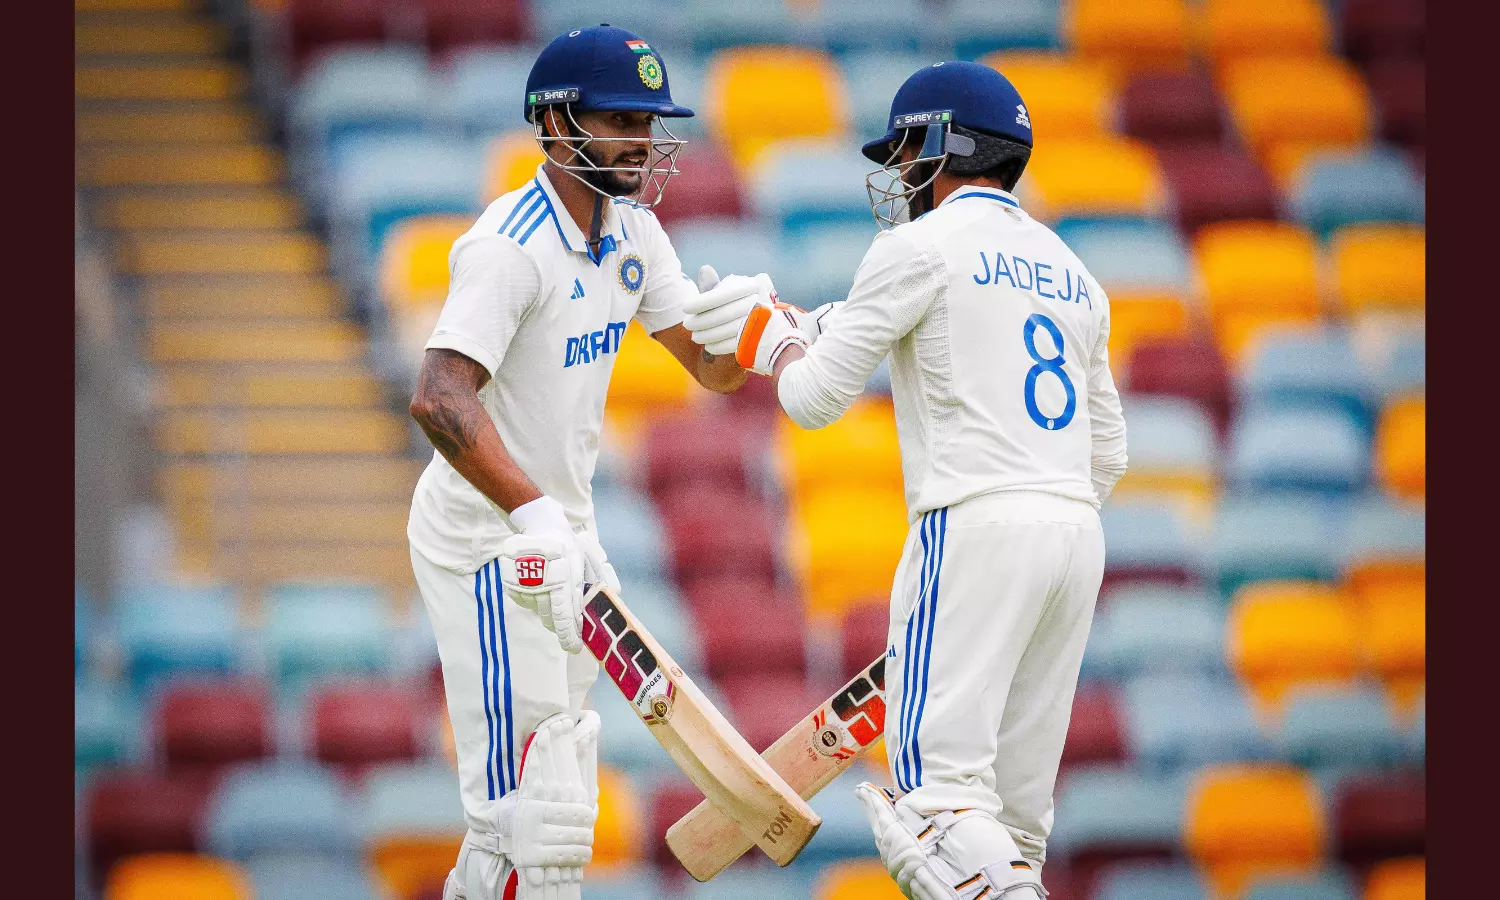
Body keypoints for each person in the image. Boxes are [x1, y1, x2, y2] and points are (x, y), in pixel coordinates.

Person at [683, 61, 1128, 899]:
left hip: (970, 526)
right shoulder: (1073, 271)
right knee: (1014, 825)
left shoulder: (916, 246)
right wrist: (785, 320)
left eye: (907, 153)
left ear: (944, 147)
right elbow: (1109, 454)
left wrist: (768, 342)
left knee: (936, 806)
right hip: (1075, 533)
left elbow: (814, 400)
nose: (898, 174)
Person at [406, 25, 769, 900]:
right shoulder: (509, 246)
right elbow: (439, 398)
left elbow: (709, 370)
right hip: (484, 546)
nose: (644, 142)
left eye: (651, 123)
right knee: (517, 817)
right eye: (623, 120)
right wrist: (535, 519)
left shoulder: (636, 233)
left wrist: (754, 327)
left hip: (559, 533)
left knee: (563, 781)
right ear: (559, 125)